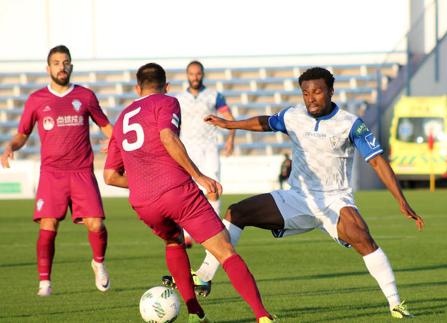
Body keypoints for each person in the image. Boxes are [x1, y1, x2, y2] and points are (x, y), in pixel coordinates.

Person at [196, 67, 425, 319]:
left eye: (317, 92)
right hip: (298, 197)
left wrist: (401, 201)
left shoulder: (351, 124)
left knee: (363, 238)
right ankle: (204, 276)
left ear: (330, 91)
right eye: (305, 93)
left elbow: (377, 161)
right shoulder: (293, 116)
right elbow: (266, 122)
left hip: (335, 199)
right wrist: (230, 125)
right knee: (237, 212)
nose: (311, 98)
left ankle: (395, 304)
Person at [103, 63, 274, 323]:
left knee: (174, 243)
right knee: (225, 250)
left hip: (143, 202)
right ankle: (263, 317)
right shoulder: (167, 101)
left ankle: (195, 314)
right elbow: (167, 137)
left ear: (137, 88)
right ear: (166, 86)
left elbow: (110, 176)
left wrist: (142, 181)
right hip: (176, 190)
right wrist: (199, 176)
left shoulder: (122, 118)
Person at [0, 45, 112, 297]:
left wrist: (119, 143)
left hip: (82, 171)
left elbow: (106, 125)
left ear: (72, 66)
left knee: (96, 224)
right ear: (48, 68)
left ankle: (98, 262)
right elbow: (22, 134)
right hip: (52, 174)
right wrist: (10, 146)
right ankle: (44, 283)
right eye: (57, 63)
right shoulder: (36, 100)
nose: (62, 67)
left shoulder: (85, 96)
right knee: (48, 226)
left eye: (66, 62)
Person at [175, 60, 235, 217]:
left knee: (213, 186)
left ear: (203, 75)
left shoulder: (214, 96)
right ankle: (187, 233)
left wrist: (230, 139)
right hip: (186, 149)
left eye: (198, 74)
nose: (195, 77)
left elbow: (229, 118)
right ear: (187, 75)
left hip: (209, 148)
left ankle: (215, 226)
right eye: (192, 74)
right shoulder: (178, 99)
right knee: (188, 189)